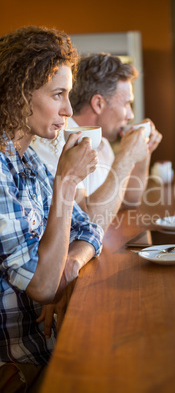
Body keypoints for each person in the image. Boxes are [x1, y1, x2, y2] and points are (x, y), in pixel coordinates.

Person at [0, 26, 103, 391]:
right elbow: (43, 287)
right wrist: (67, 182)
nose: (69, 110)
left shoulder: (28, 162)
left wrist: (70, 265)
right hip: (17, 367)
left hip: (46, 349)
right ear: (17, 93)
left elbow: (90, 229)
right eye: (58, 94)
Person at [32, 53, 162, 231]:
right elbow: (87, 225)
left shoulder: (102, 142)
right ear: (98, 104)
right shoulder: (56, 141)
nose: (130, 115)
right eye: (126, 104)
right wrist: (126, 157)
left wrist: (142, 153)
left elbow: (129, 200)